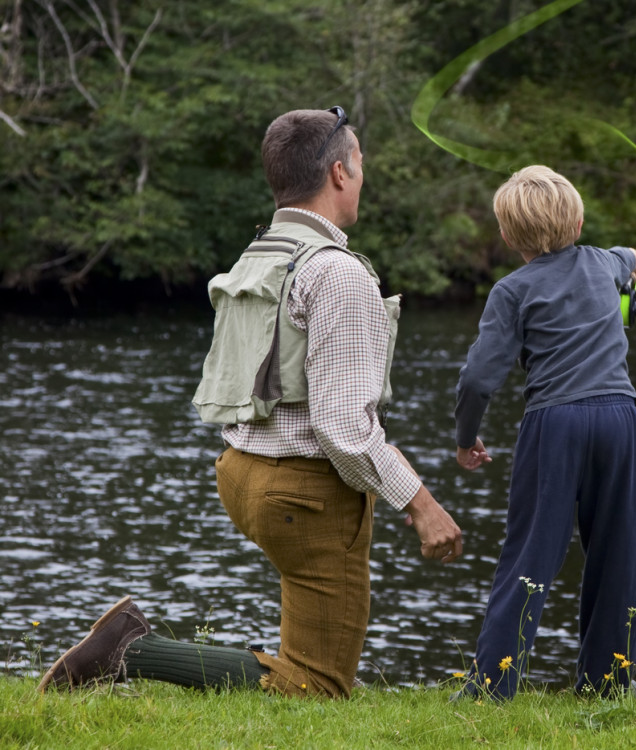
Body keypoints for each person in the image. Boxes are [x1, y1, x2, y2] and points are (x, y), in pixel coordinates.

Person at [38, 107, 463, 699]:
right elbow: (344, 428)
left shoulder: (261, 251)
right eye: (362, 164)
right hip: (305, 495)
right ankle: (132, 649)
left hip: (242, 474)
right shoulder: (339, 274)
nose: (365, 176)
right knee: (317, 686)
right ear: (339, 172)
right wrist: (419, 504)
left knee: (308, 649)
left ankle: (188, 651)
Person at [453, 165, 636, 699]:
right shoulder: (604, 263)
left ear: (507, 235)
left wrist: (465, 436)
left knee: (531, 553)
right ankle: (608, 684)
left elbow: (478, 378)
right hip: (620, 419)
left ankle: (493, 685)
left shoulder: (510, 291)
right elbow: (634, 260)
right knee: (621, 553)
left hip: (555, 424)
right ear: (580, 220)